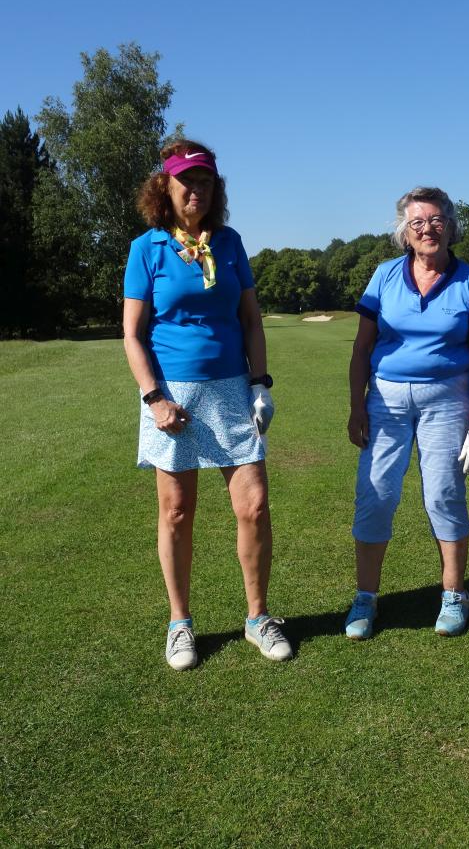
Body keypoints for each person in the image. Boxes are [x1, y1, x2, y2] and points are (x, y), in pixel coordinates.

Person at [123, 140, 292, 669]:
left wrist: (259, 383)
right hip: (171, 394)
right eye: (186, 181)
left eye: (205, 181)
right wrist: (154, 398)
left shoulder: (230, 242)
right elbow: (132, 334)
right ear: (165, 187)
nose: (196, 189)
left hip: (231, 389)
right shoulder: (147, 248)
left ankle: (257, 618)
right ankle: (180, 624)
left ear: (216, 189)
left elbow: (250, 320)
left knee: (254, 505)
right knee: (176, 512)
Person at [345, 187, 469, 640]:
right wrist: (356, 406)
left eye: (435, 220)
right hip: (385, 400)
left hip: (447, 400)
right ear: (405, 232)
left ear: (450, 227)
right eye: (417, 222)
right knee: (375, 495)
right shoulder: (384, 275)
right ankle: (366, 597)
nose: (427, 229)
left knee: (443, 495)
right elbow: (361, 348)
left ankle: (454, 594)